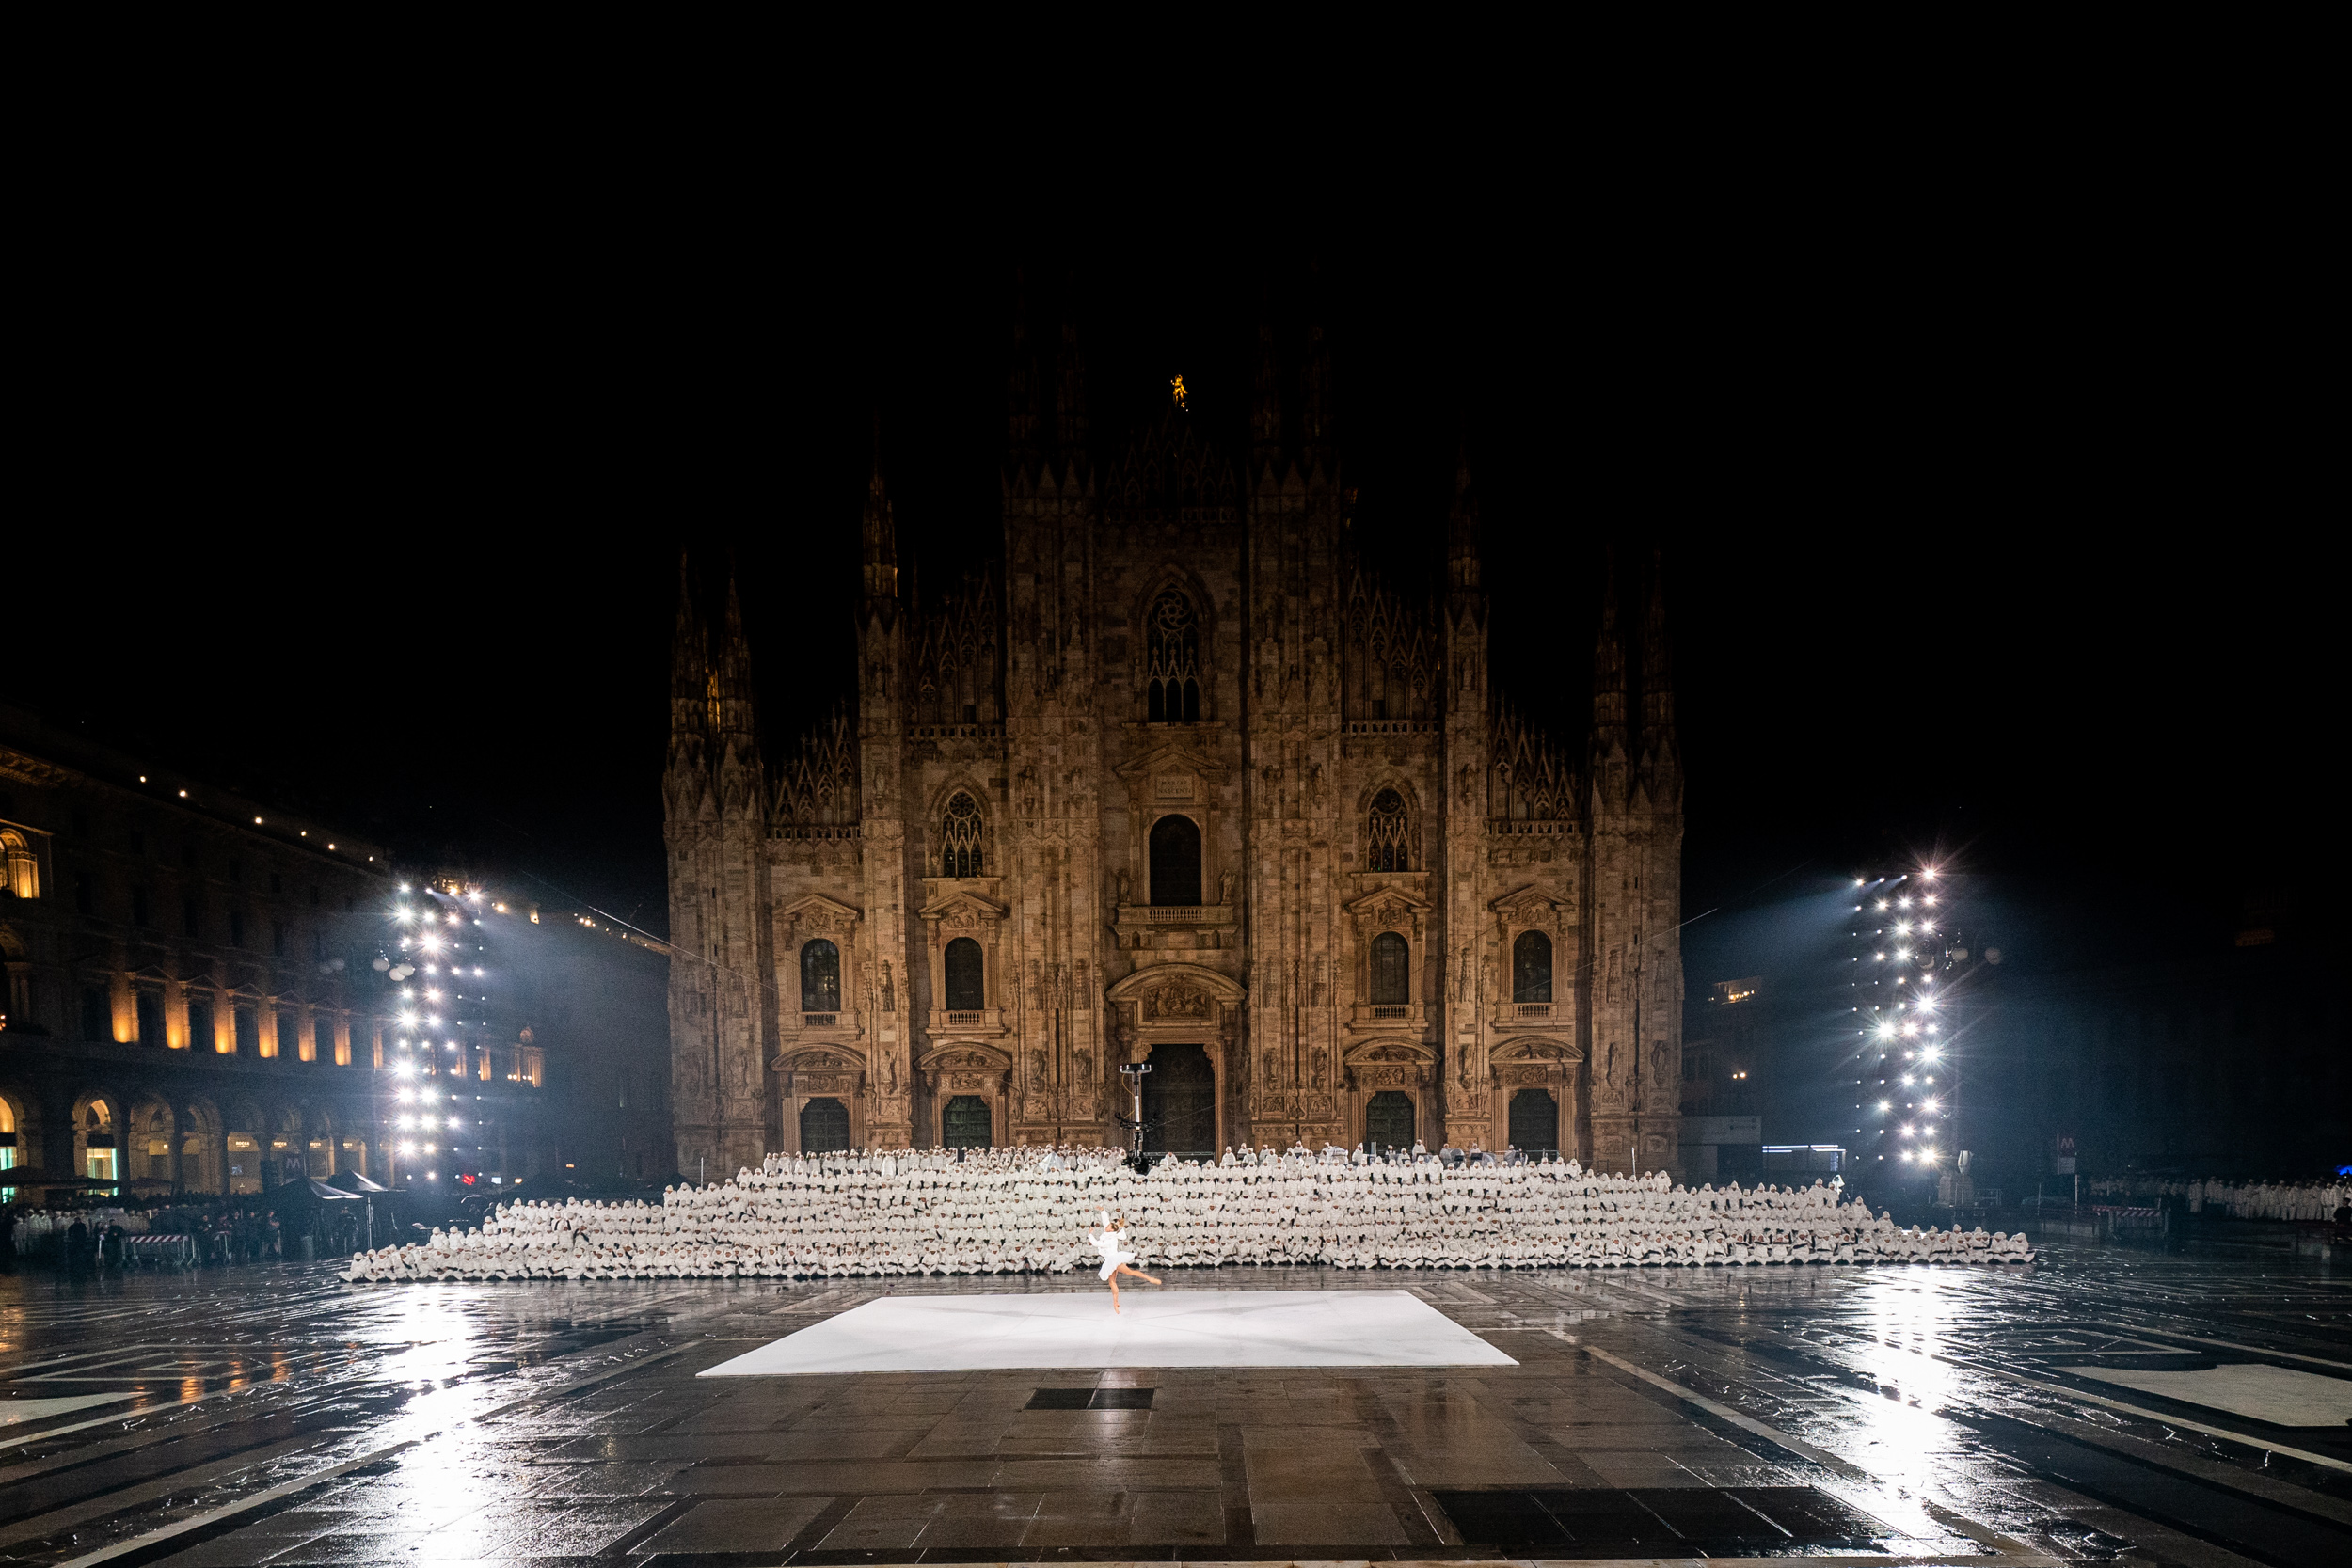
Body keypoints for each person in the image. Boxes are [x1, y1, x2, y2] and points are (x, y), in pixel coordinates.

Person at [1086, 1209, 1160, 1313]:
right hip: (1109, 1261)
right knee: (1112, 1282)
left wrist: (1090, 1235)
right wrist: (1102, 1211)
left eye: (1108, 1227)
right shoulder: (1108, 1234)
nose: (1105, 1226)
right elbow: (1106, 1221)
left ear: (1111, 1230)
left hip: (1113, 1259)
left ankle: (1149, 1278)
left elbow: (1097, 1244)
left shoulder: (1111, 1238)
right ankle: (1115, 1303)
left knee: (1129, 1273)